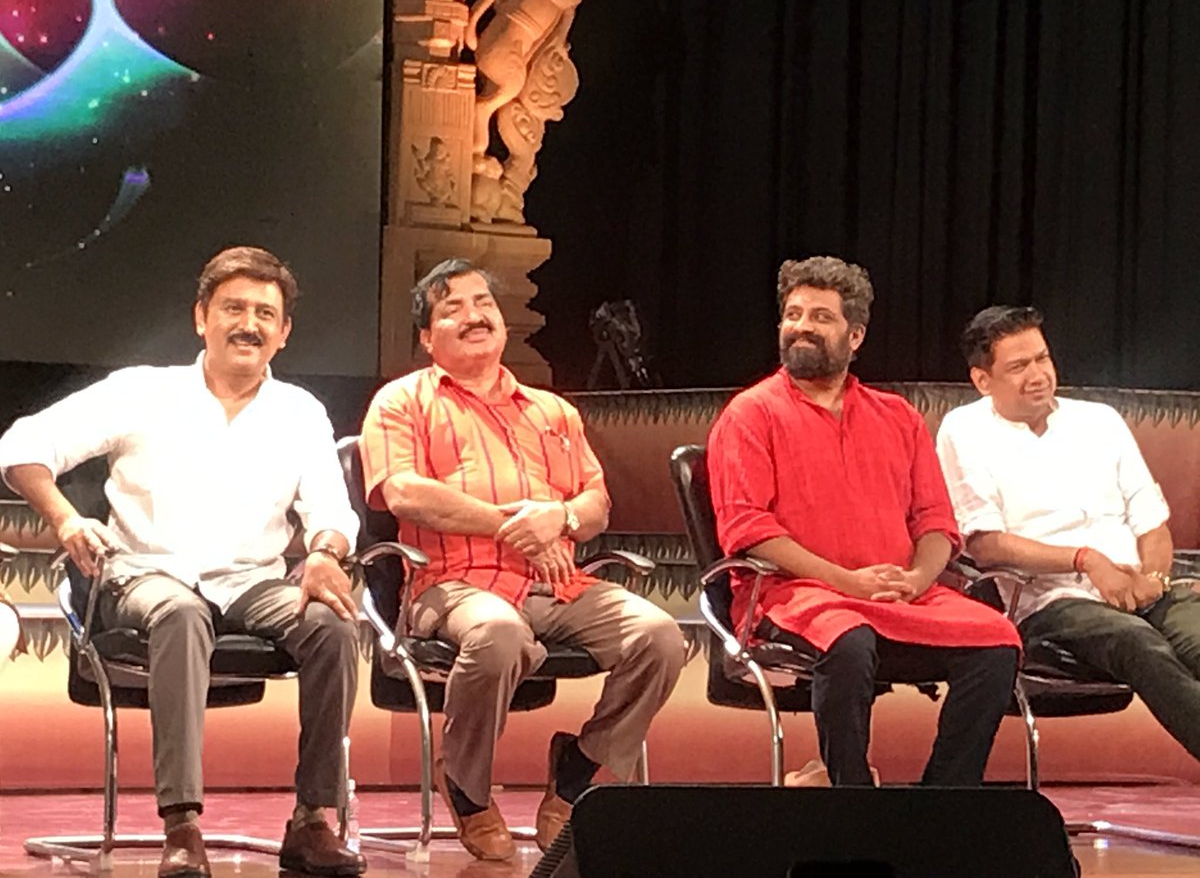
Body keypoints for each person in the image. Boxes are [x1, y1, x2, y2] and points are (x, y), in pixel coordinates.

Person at [0, 247, 366, 878]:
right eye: (233, 308)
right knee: (179, 611)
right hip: (143, 575)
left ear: (283, 332)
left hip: (251, 582)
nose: (248, 324)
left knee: (332, 623)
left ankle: (312, 820)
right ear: (202, 318)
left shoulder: (300, 412)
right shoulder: (143, 391)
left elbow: (331, 509)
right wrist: (65, 519)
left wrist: (325, 553)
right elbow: (23, 444)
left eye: (264, 313)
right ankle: (182, 825)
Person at [358, 258, 684, 861]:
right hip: (451, 585)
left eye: (483, 302)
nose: (474, 315)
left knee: (660, 637)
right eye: (452, 308)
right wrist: (513, 526)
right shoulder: (401, 402)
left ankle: (578, 770)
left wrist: (559, 518)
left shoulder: (552, 411)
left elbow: (596, 504)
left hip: (555, 585)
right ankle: (467, 787)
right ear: (427, 337)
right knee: (499, 633)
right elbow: (402, 492)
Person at [706, 256, 1021, 788]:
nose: (801, 326)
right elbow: (748, 529)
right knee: (848, 640)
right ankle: (851, 798)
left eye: (820, 317)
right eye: (793, 314)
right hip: (795, 595)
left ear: (855, 336)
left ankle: (945, 800)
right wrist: (846, 582)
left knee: (997, 639)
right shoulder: (750, 413)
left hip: (899, 595)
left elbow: (936, 522)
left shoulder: (898, 416)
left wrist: (917, 580)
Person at [936, 304, 1200, 759]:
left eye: (1042, 358)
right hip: (1050, 602)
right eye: (1018, 366)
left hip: (1141, 588)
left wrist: (1153, 579)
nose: (1037, 375)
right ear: (982, 380)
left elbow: (1151, 523)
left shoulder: (1099, 421)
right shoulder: (964, 431)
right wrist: (1087, 560)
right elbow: (986, 544)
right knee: (1138, 643)